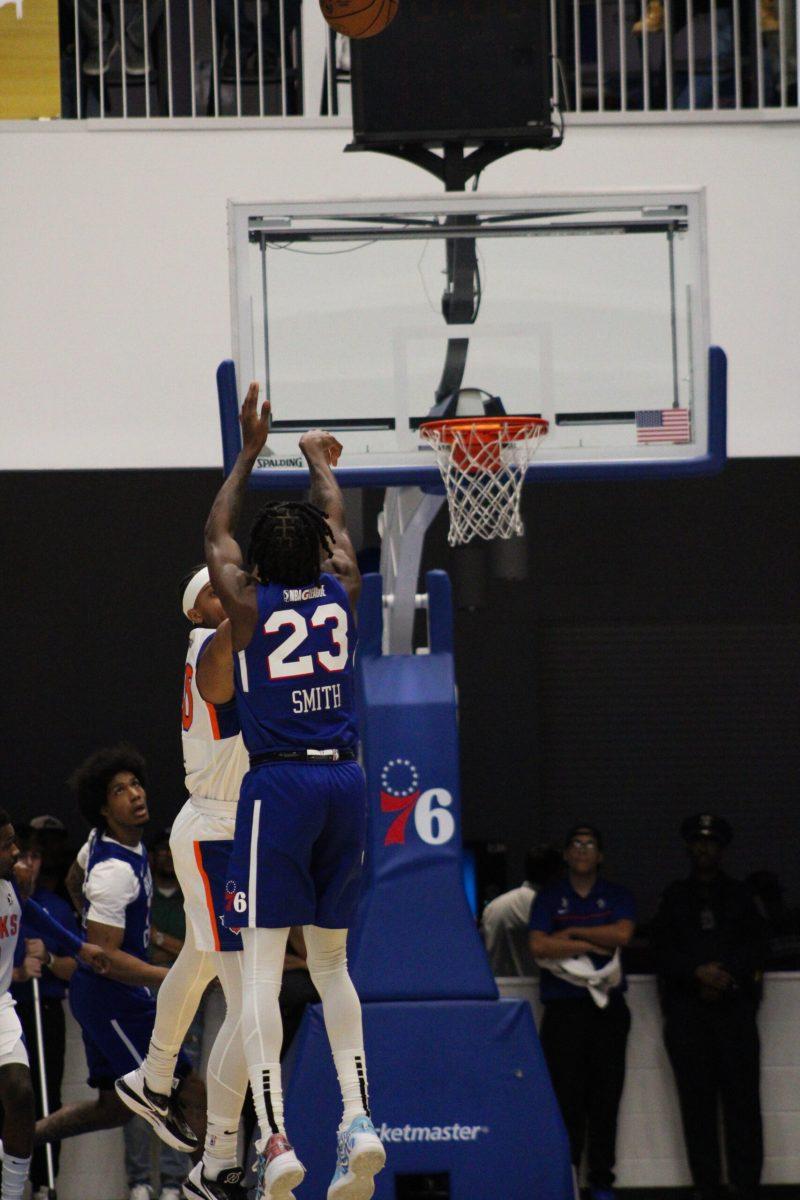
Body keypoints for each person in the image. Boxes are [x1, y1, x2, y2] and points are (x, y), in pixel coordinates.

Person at [203, 382, 385, 1200]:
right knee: (335, 964)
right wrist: (315, 461)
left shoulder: (243, 602)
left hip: (278, 789)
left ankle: (276, 1140)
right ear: (318, 550)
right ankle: (358, 1120)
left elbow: (215, 532)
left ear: (256, 563)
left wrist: (248, 450)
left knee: (260, 976)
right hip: (347, 781)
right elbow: (340, 524)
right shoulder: (343, 586)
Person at [116, 567, 251, 1200]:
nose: (236, 592)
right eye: (218, 591)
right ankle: (221, 1155)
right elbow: (247, 615)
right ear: (199, 611)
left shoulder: (242, 644)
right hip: (213, 834)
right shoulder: (209, 643)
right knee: (250, 1001)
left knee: (200, 965)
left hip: (230, 832)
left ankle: (154, 1077)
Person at [34, 746, 205, 1160]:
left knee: (111, 1110)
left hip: (101, 993)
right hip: (112, 996)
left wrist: (89, 931)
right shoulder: (115, 872)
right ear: (103, 809)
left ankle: (15, 1141)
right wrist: (171, 977)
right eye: (118, 790)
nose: (134, 794)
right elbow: (108, 960)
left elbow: (76, 881)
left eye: (135, 783)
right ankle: (215, 1184)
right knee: (190, 1091)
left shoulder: (104, 844)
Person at [651, 814, 767, 1200]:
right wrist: (696, 973)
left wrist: (725, 977)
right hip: (689, 1014)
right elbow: (662, 952)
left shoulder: (741, 896)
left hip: (733, 1012)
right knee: (696, 1106)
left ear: (723, 848)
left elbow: (757, 947)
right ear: (688, 847)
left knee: (743, 1105)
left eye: (712, 842)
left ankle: (746, 1184)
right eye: (698, 842)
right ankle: (707, 1186)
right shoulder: (673, 897)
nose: (704, 849)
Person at [0, 809, 108, 1200]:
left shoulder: (10, 886)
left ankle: (14, 1192)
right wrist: (15, 973)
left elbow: (34, 914)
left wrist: (79, 945)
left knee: (22, 1092)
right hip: (10, 990)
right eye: (7, 845)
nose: (16, 853)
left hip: (3, 1008)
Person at [528, 824, 636, 1200]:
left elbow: (622, 937)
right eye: (576, 844)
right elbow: (539, 946)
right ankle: (569, 1180)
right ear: (567, 854)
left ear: (600, 855)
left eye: (590, 844)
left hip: (607, 1011)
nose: (583, 850)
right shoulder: (549, 897)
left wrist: (571, 935)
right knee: (567, 1101)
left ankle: (602, 1182)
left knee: (605, 1100)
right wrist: (592, 937)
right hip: (564, 1012)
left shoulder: (615, 895)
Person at [122, 829, 199, 1200]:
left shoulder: (192, 897)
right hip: (143, 991)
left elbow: (196, 950)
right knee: (141, 1085)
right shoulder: (143, 895)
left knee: (179, 1086)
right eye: (159, 851)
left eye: (171, 850)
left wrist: (159, 940)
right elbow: (131, 945)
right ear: (151, 858)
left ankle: (172, 1181)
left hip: (186, 993)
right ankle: (139, 1179)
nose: (166, 858)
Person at [10, 827, 80, 1200]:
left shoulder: (55, 907)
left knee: (46, 1095)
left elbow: (77, 965)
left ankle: (43, 1182)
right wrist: (19, 972)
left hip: (46, 1008)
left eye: (34, 857)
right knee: (9, 1095)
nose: (27, 864)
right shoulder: (5, 901)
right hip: (9, 1010)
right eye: (21, 856)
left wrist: (49, 959)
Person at [480, 844, 563, 976]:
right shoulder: (546, 910)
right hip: (533, 990)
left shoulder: (494, 906)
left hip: (497, 989)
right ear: (553, 874)